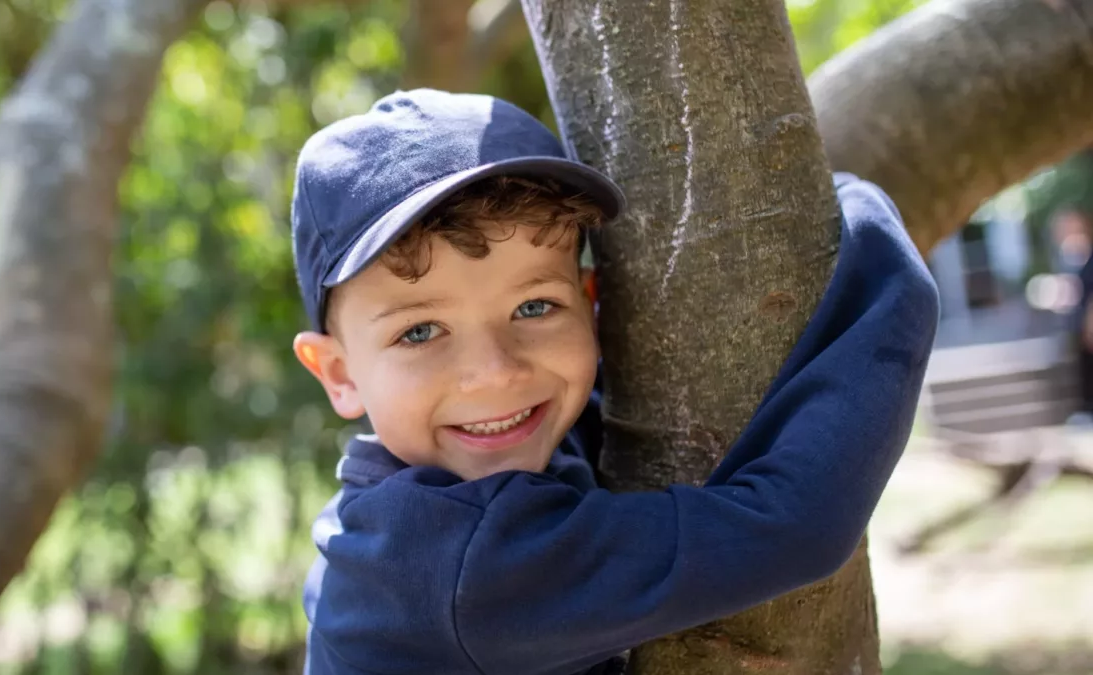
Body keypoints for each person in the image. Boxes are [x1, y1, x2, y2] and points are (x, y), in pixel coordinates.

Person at [289, 88, 939, 675]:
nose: (496, 372)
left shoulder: (392, 517)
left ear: (591, 305)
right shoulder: (460, 567)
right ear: (340, 373)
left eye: (534, 307)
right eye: (421, 331)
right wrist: (871, 236)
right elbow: (793, 526)